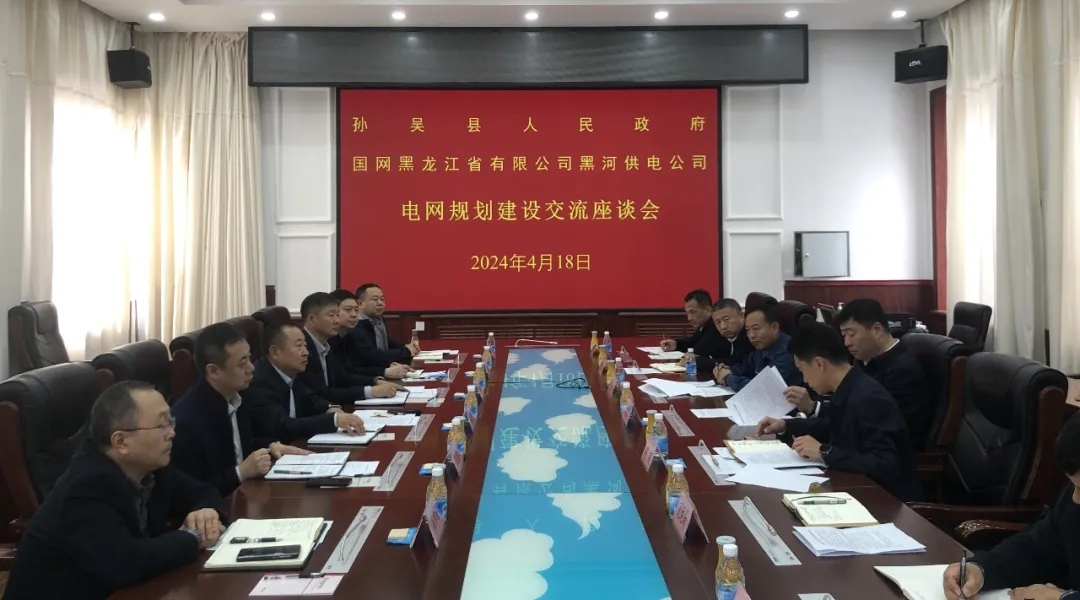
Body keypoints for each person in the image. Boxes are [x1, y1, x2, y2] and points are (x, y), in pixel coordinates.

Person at [4, 382, 225, 600]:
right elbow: (126, 563)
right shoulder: (85, 488)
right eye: (161, 426)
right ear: (121, 442)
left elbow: (203, 491)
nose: (172, 433)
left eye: (170, 422)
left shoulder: (151, 467)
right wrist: (193, 538)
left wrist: (204, 511)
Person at [756, 323, 921, 501]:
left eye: (802, 370)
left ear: (819, 364)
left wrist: (824, 452)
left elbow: (885, 464)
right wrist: (785, 426)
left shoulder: (869, 398)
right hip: (854, 487)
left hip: (884, 501)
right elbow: (830, 425)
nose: (804, 379)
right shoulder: (850, 386)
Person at [942, 412, 1080, 600]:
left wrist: (1064, 598)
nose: (1075, 499)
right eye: (1074, 485)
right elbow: (1037, 548)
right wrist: (982, 569)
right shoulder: (1073, 500)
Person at [171, 322, 309, 497]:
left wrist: (270, 446)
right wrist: (240, 473)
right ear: (213, 371)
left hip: (247, 496)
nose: (251, 368)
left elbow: (239, 446)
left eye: (249, 358)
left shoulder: (237, 395)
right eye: (242, 363)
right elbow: (188, 493)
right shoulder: (188, 420)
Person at [785, 299, 931, 448]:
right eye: (844, 335)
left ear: (877, 329)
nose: (847, 343)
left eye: (851, 334)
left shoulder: (903, 371)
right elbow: (847, 416)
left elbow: (883, 433)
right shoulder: (866, 362)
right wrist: (794, 421)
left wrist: (825, 452)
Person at [244, 322, 370, 443]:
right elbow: (283, 426)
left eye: (305, 346)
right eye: (299, 346)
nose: (306, 352)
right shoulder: (258, 382)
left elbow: (311, 399)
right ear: (274, 352)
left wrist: (331, 408)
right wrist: (333, 420)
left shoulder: (290, 373)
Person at [298, 291, 401, 403]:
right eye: (331, 315)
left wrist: (375, 381)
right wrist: (370, 391)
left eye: (338, 315)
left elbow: (342, 376)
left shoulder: (325, 344)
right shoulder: (302, 349)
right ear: (311, 319)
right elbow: (321, 393)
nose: (337, 321)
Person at [715, 300, 802, 391]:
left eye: (756, 328)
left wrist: (728, 378)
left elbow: (763, 388)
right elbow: (744, 368)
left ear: (775, 327)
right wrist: (724, 370)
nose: (751, 335)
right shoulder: (762, 347)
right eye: (748, 330)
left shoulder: (788, 350)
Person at [328, 288, 409, 380]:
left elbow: (355, 368)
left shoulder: (347, 336)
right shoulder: (329, 341)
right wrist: (382, 373)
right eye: (348, 310)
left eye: (356, 310)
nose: (354, 315)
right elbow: (343, 376)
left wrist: (387, 367)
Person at [351, 283, 418, 368]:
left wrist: (406, 347)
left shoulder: (378, 319)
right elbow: (371, 355)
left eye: (382, 299)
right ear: (360, 303)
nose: (380, 303)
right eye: (375, 299)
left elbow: (387, 343)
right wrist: (406, 351)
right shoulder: (356, 324)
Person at [709, 298, 754, 371]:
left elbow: (735, 363)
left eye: (726, 319)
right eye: (718, 322)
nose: (723, 326)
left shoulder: (750, 337)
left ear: (741, 316)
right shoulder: (723, 337)